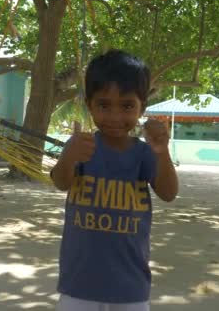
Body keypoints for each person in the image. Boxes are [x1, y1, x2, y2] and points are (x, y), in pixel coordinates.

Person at [51, 49, 179, 311]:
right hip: (79, 283)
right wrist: (69, 158)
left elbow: (168, 193)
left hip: (130, 284)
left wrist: (162, 151)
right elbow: (60, 182)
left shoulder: (144, 152)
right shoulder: (81, 145)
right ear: (90, 105)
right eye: (104, 105)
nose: (115, 117)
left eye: (127, 105)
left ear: (142, 107)